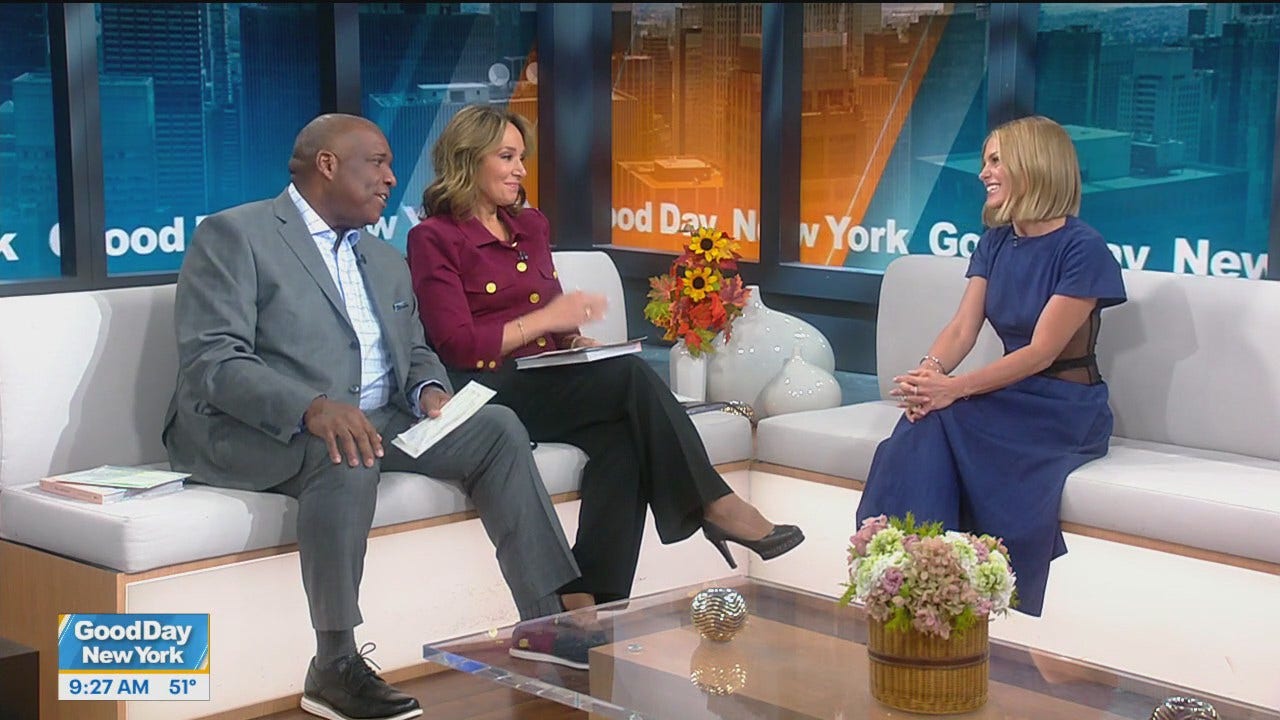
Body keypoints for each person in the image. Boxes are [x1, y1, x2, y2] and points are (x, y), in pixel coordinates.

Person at [162, 113, 584, 720]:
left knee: (496, 429)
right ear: (327, 164)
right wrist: (311, 408)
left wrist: (429, 392)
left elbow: (414, 350)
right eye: (378, 163)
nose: (391, 178)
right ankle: (333, 666)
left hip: (378, 418)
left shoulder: (383, 258)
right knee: (347, 452)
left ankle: (543, 623)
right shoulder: (236, 235)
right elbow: (214, 361)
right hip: (253, 428)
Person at [405, 104, 805, 616]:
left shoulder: (530, 225)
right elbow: (456, 344)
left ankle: (592, 602)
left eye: (522, 158)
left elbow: (549, 309)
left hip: (546, 380)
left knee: (623, 441)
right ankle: (714, 503)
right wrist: (548, 321)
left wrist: (573, 341)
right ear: (468, 160)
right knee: (630, 375)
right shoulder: (434, 238)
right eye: (506, 157)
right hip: (486, 392)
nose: (521, 170)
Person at [855, 115, 1127, 617]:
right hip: (1012, 396)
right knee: (922, 421)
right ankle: (905, 574)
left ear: (1034, 165)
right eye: (985, 161)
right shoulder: (996, 242)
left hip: (1063, 408)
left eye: (996, 160)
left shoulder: (1082, 248)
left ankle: (927, 579)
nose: (984, 172)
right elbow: (963, 328)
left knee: (941, 418)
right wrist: (930, 375)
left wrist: (954, 389)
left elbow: (1042, 351)